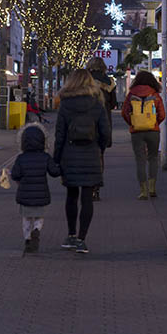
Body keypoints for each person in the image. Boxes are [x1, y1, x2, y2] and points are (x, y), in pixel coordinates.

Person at [53, 69, 110, 255]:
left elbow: (59, 134)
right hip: (91, 153)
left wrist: (56, 158)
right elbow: (105, 134)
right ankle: (82, 239)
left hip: (69, 153)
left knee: (71, 195)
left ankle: (70, 234)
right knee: (87, 197)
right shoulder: (97, 103)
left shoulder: (65, 104)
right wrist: (99, 149)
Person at [9, 122, 61, 253]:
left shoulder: (21, 158)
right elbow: (54, 172)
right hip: (41, 194)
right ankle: (36, 230)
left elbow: (15, 174)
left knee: (26, 218)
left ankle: (27, 239)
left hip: (25, 195)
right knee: (39, 217)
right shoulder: (45, 157)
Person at [121, 70, 167, 200]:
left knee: (140, 160)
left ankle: (143, 191)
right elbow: (162, 114)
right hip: (153, 131)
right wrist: (154, 123)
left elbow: (124, 112)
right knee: (153, 158)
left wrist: (133, 122)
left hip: (137, 132)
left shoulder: (131, 94)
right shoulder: (155, 95)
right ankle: (152, 188)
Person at [85, 57, 116, 200]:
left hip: (86, 122)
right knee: (100, 155)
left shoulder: (84, 80)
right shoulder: (109, 82)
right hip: (104, 121)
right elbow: (114, 103)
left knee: (85, 154)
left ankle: (87, 186)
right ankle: (96, 188)